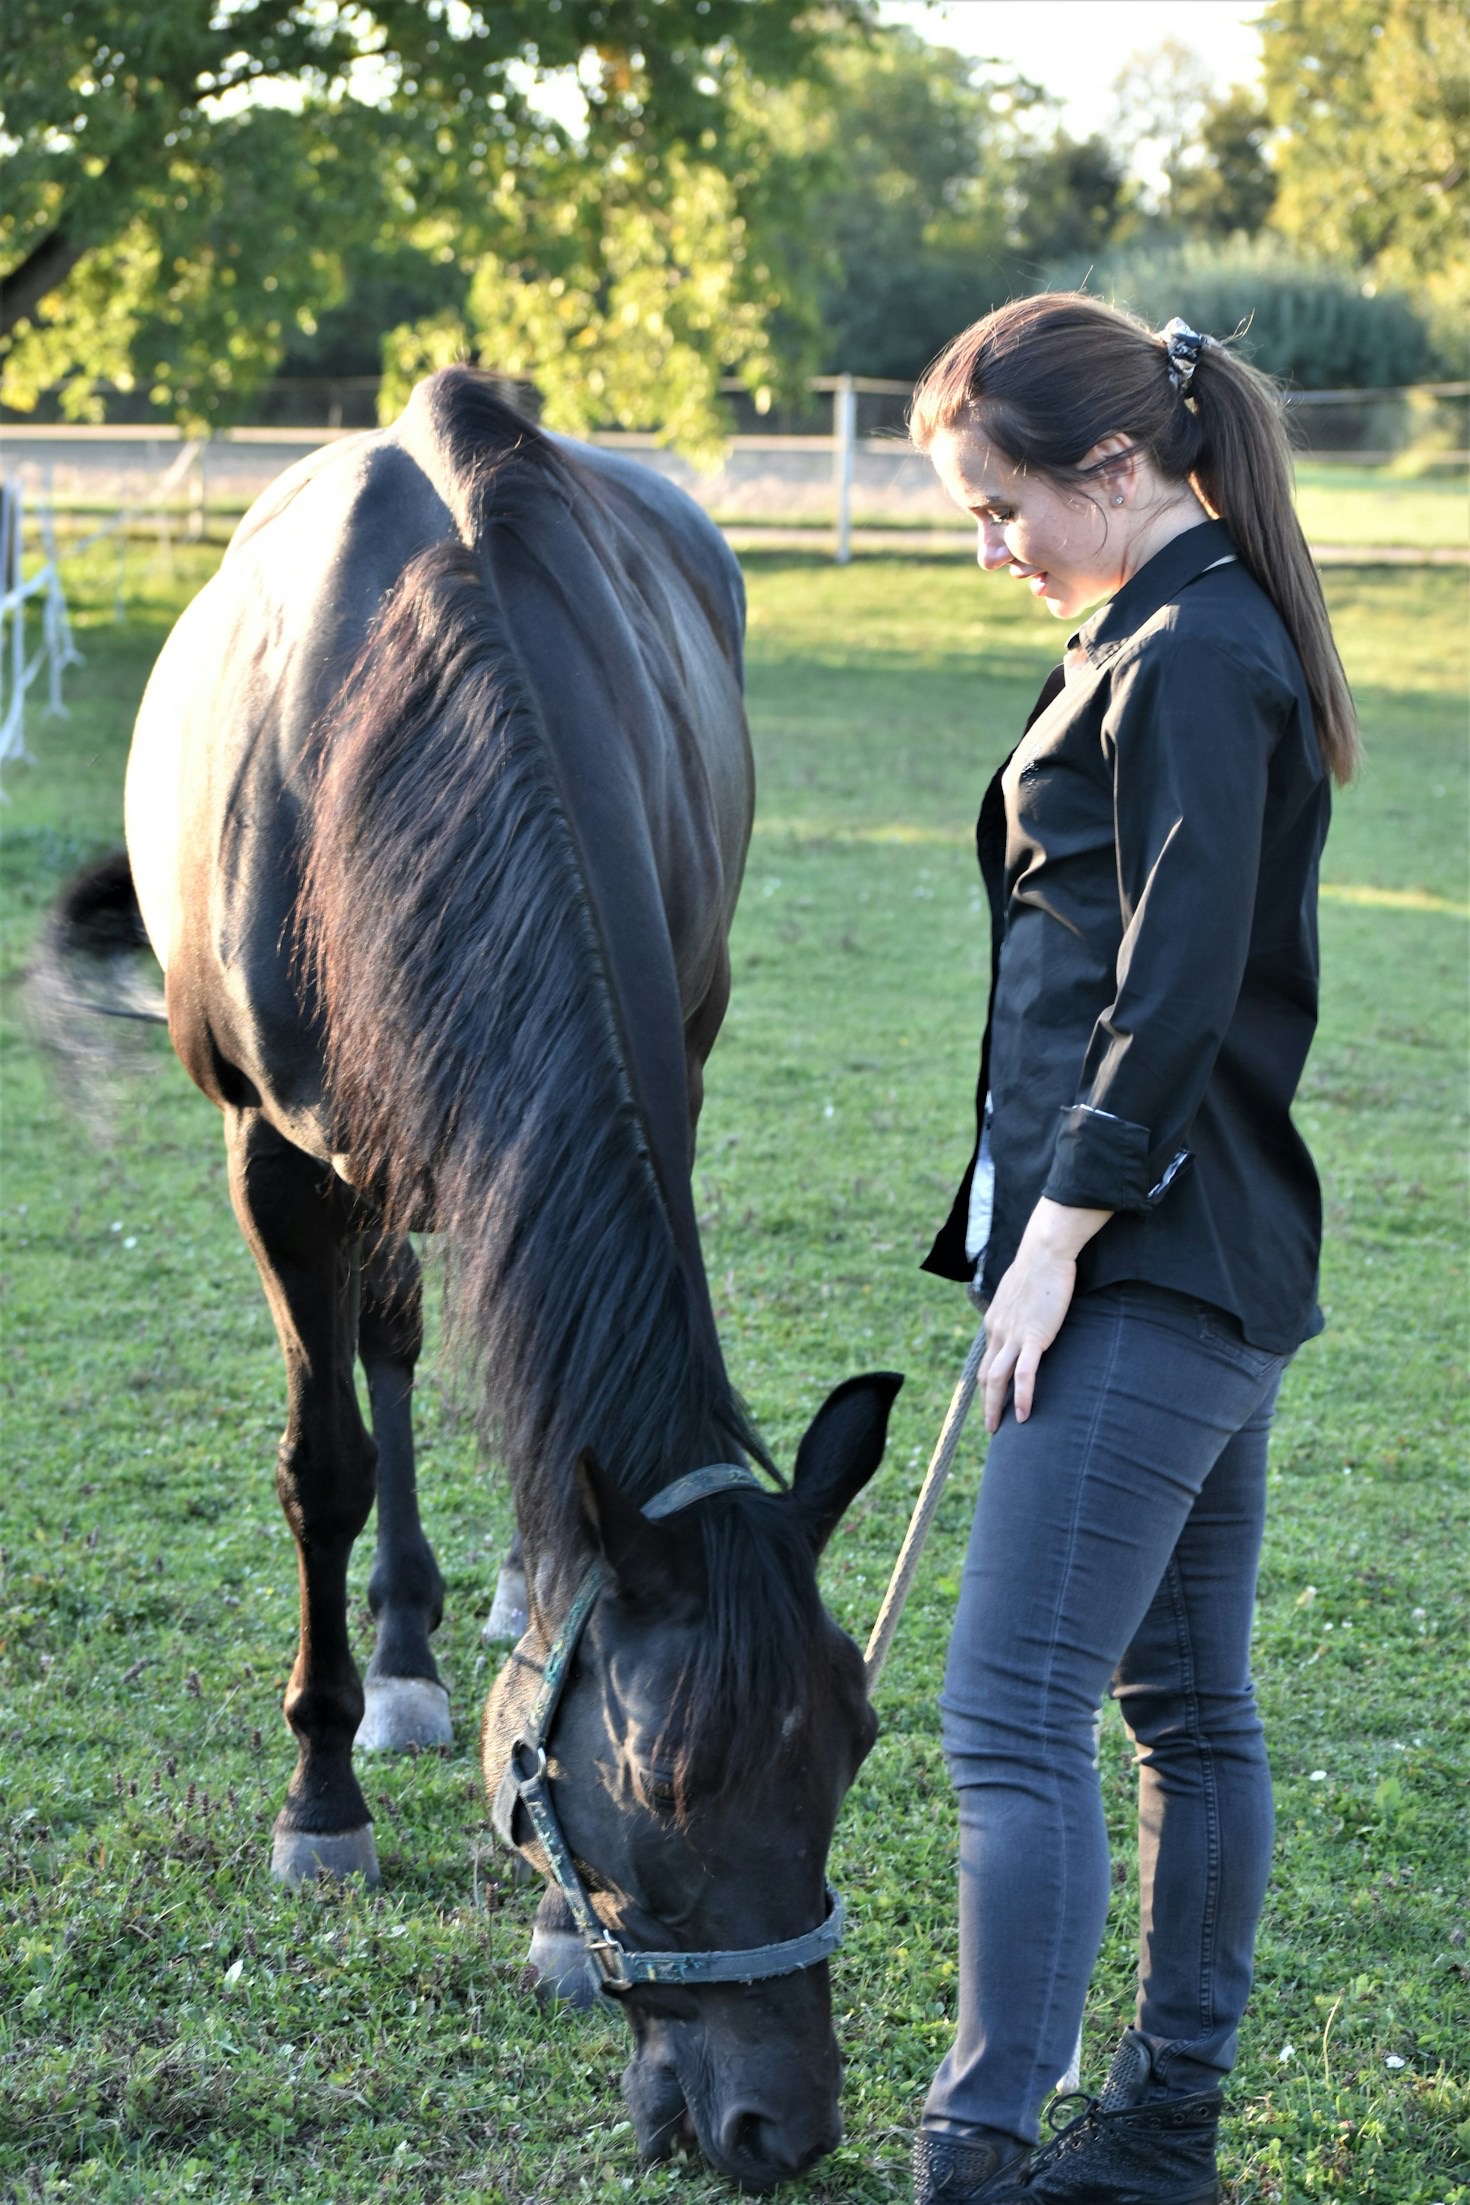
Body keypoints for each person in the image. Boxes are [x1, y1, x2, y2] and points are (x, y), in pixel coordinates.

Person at [905, 294, 1359, 2205]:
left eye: (1002, 508)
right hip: (1191, 1252)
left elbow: (1171, 998)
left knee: (1010, 1717)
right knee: (1182, 1711)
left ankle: (983, 2154)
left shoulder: (1189, 652)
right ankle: (1158, 2134)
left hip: (1146, 1262)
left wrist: (1051, 1237)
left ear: (1114, 468)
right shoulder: (1157, 629)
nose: (987, 549)